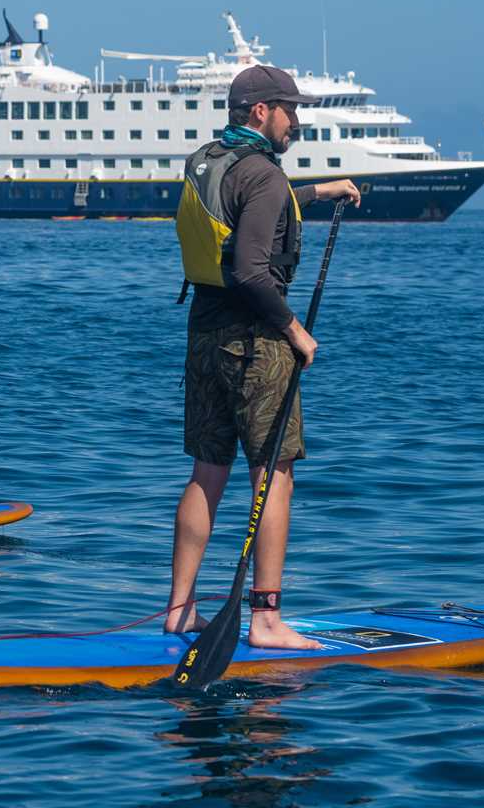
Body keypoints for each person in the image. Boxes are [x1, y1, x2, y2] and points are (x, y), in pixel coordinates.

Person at [164, 66, 361, 647]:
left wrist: (321, 191)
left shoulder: (210, 161)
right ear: (260, 112)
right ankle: (268, 620)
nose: (296, 121)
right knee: (274, 476)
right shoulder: (265, 176)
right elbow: (252, 268)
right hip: (256, 345)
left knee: (207, 471)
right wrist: (295, 331)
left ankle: (179, 610)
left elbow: (253, 209)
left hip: (203, 336)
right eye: (289, 110)